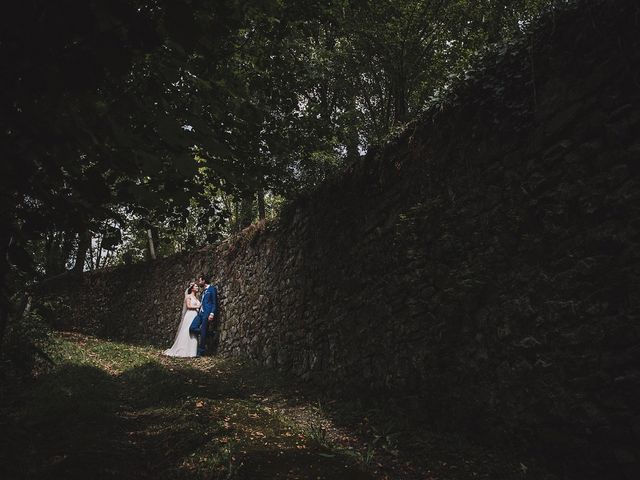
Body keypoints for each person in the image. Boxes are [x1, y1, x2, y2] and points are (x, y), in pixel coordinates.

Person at [163, 282, 200, 357]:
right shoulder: (188, 296)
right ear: (192, 288)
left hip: (195, 315)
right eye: (196, 286)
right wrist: (198, 306)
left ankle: (192, 352)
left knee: (193, 331)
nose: (197, 287)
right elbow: (189, 306)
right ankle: (182, 351)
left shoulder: (197, 298)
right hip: (190, 314)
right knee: (186, 331)